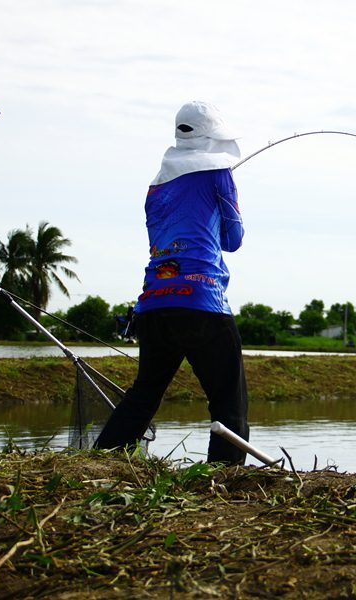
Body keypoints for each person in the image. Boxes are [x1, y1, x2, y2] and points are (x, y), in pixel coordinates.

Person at [95, 101, 249, 464]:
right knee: (229, 400)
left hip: (154, 303)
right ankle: (225, 477)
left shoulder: (156, 185)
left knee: (144, 394)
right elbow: (233, 239)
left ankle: (99, 460)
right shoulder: (219, 174)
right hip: (202, 300)